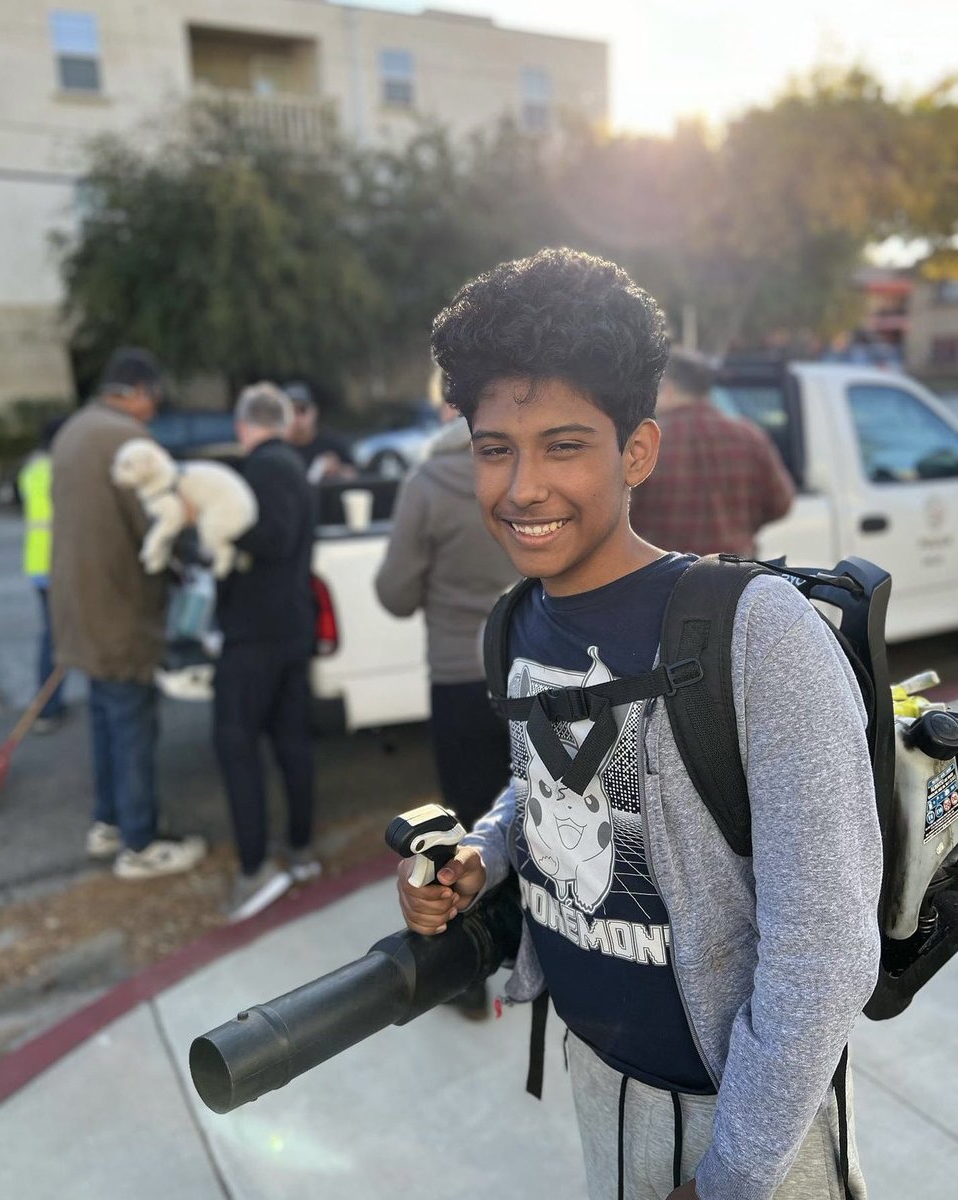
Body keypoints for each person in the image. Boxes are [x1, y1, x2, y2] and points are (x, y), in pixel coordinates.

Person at [397, 249, 881, 1200]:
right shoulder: (518, 619)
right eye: (496, 448)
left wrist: (730, 1174)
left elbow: (823, 948)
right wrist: (483, 857)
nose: (522, 486)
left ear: (636, 452)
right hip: (597, 1073)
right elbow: (541, 779)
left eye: (564, 445)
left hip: (748, 1117)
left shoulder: (757, 633)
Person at [375, 374, 518, 1014]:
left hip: (459, 675)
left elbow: (394, 593)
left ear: (443, 408)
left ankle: (467, 979)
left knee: (457, 838)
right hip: (527, 670)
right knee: (536, 816)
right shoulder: (525, 471)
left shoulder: (428, 484)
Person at [50, 347, 206, 878]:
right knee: (132, 723)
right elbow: (158, 526)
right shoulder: (127, 440)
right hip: (119, 608)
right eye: (153, 399)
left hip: (77, 606)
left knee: (104, 717)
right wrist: (192, 550)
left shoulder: (74, 430)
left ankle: (109, 821)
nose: (154, 410)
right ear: (138, 391)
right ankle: (139, 844)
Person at [212, 382, 320, 922]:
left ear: (242, 425)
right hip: (291, 626)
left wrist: (219, 535)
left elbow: (271, 538)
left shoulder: (264, 468)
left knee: (235, 743)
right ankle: (300, 850)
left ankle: (255, 868)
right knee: (291, 741)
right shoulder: (295, 465)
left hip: (255, 633)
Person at [628, 347, 795, 557]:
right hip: (736, 577)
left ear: (668, 388)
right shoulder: (750, 436)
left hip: (665, 577)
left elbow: (622, 512)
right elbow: (782, 502)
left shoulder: (646, 443)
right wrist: (740, 525)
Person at [17, 415, 68, 732]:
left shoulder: (31, 469)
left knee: (51, 634)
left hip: (36, 563)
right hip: (58, 562)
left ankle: (49, 706)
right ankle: (47, 708)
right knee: (58, 637)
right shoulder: (58, 470)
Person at [283, 380, 357, 484]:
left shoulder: (332, 443)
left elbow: (355, 477)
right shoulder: (277, 447)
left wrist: (338, 471)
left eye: (302, 409)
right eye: (289, 411)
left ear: (314, 411)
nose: (296, 417)